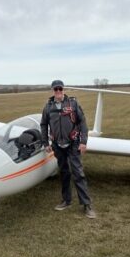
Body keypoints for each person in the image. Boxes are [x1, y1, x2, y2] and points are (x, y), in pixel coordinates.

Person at [40, 80, 96, 219]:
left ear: (63, 89)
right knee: (64, 173)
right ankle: (66, 200)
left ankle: (86, 204)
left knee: (78, 173)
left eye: (60, 89)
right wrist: (46, 142)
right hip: (58, 145)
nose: (58, 91)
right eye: (55, 89)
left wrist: (83, 142)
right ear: (52, 91)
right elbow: (43, 125)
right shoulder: (48, 107)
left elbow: (82, 123)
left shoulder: (73, 104)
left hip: (73, 143)